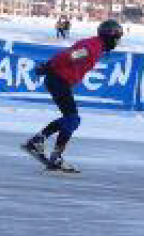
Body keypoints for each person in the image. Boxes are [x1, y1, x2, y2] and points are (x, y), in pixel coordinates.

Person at [22, 19, 124, 172]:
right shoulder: (92, 47)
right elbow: (69, 56)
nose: (117, 42)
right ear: (109, 37)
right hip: (58, 80)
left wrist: (49, 67)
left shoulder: (95, 45)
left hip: (59, 80)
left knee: (70, 119)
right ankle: (49, 152)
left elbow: (69, 56)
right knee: (72, 119)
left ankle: (40, 144)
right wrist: (48, 66)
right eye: (116, 38)